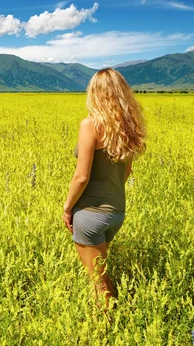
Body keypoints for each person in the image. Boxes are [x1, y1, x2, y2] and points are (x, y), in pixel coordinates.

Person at [62, 68, 146, 308]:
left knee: (96, 281)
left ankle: (104, 329)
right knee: (101, 274)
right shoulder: (127, 127)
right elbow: (126, 173)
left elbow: (81, 177)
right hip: (116, 213)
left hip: (90, 214)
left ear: (95, 93)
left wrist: (67, 208)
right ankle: (114, 318)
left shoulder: (90, 124)